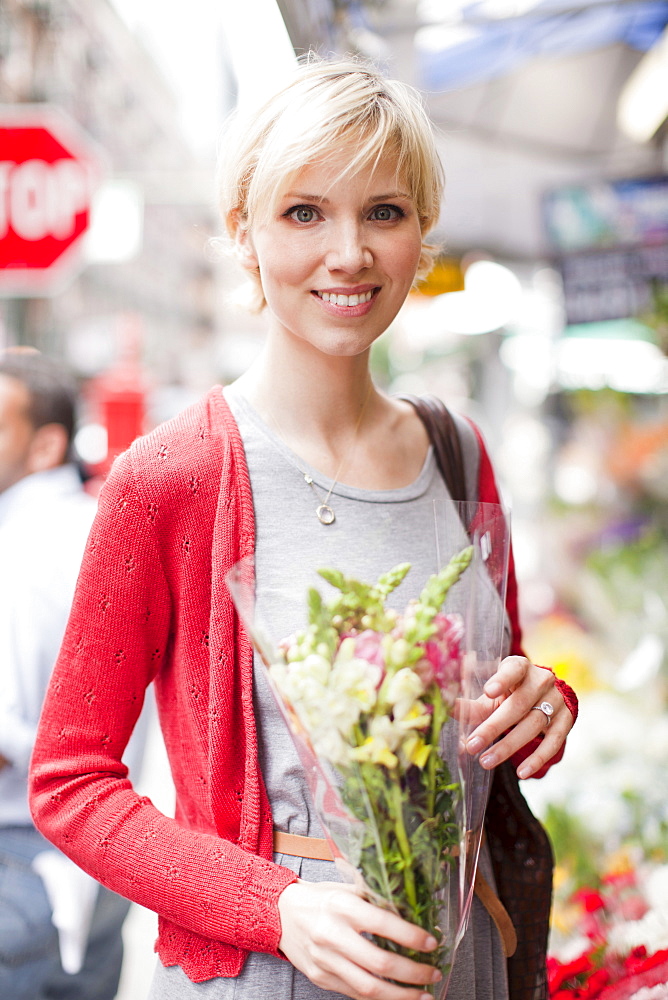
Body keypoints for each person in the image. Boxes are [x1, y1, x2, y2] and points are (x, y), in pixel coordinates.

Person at [30, 57, 578, 1000]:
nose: (350, 253)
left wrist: (543, 706)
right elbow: (70, 782)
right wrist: (275, 905)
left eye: (385, 212)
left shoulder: (459, 452)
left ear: (421, 231)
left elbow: (497, 696)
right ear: (243, 233)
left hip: (464, 960)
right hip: (273, 970)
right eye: (303, 212)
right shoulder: (171, 478)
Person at [0, 348, 132, 999]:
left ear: (46, 442)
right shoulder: (100, 526)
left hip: (19, 866)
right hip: (104, 862)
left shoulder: (16, 547)